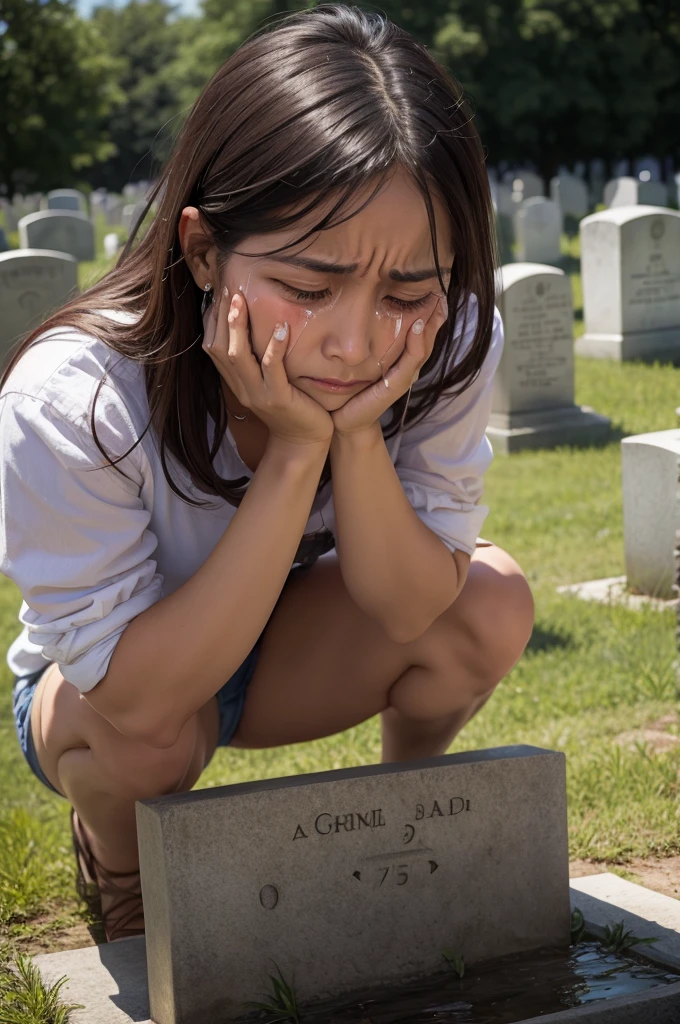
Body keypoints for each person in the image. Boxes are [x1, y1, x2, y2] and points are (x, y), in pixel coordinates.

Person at [0, 4, 534, 944]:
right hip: (121, 688)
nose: (355, 341)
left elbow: (412, 610)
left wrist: (355, 437)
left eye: (406, 291)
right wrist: (295, 454)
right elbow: (137, 694)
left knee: (488, 603)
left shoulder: (451, 339)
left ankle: (406, 819)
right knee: (148, 738)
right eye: (310, 286)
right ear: (203, 250)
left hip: (296, 645)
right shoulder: (72, 395)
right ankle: (123, 876)